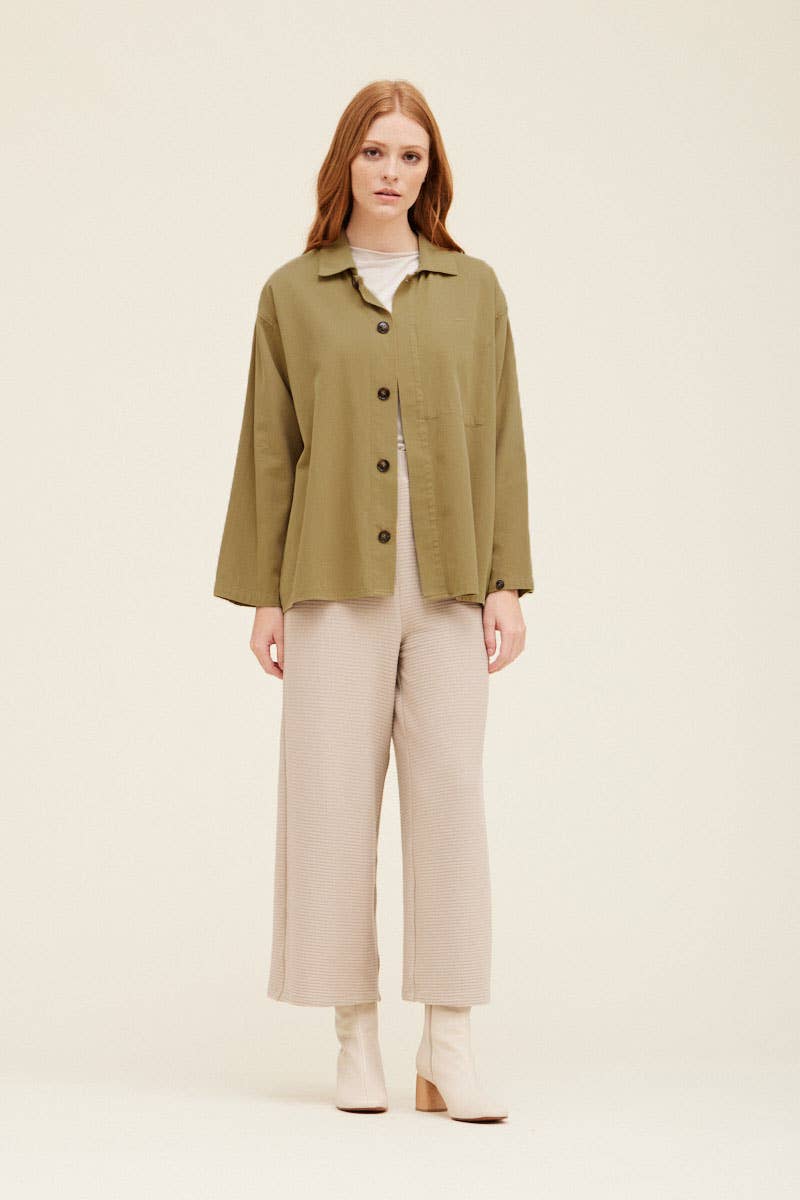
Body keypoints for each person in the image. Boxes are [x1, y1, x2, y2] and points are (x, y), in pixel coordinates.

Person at [213, 80, 534, 1123]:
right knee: (328, 806)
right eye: (374, 152)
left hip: (450, 582)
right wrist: (264, 595)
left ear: (430, 171)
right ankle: (353, 1034)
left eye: (409, 155)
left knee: (450, 804)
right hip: (328, 579)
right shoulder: (293, 293)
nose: (390, 172)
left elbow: (501, 437)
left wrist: (504, 579)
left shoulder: (474, 289)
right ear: (344, 162)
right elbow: (270, 450)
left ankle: (449, 1042)